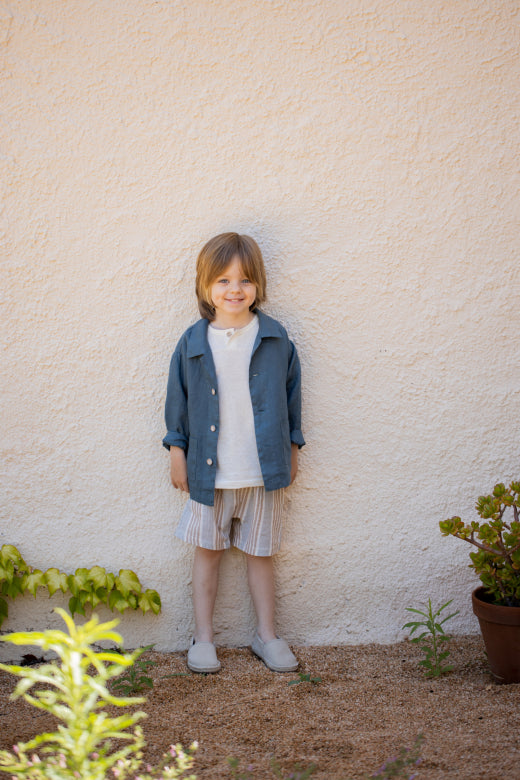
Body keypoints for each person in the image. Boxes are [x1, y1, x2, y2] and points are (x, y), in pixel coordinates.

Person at [163, 232, 304, 674]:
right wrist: (176, 450)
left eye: (244, 280)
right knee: (208, 554)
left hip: (263, 472)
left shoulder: (276, 338)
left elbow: (292, 395)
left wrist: (293, 446)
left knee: (262, 556)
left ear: (258, 284)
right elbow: (178, 399)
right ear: (207, 287)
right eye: (223, 280)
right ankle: (203, 638)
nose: (235, 290)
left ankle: (266, 635)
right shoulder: (193, 341)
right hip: (210, 475)